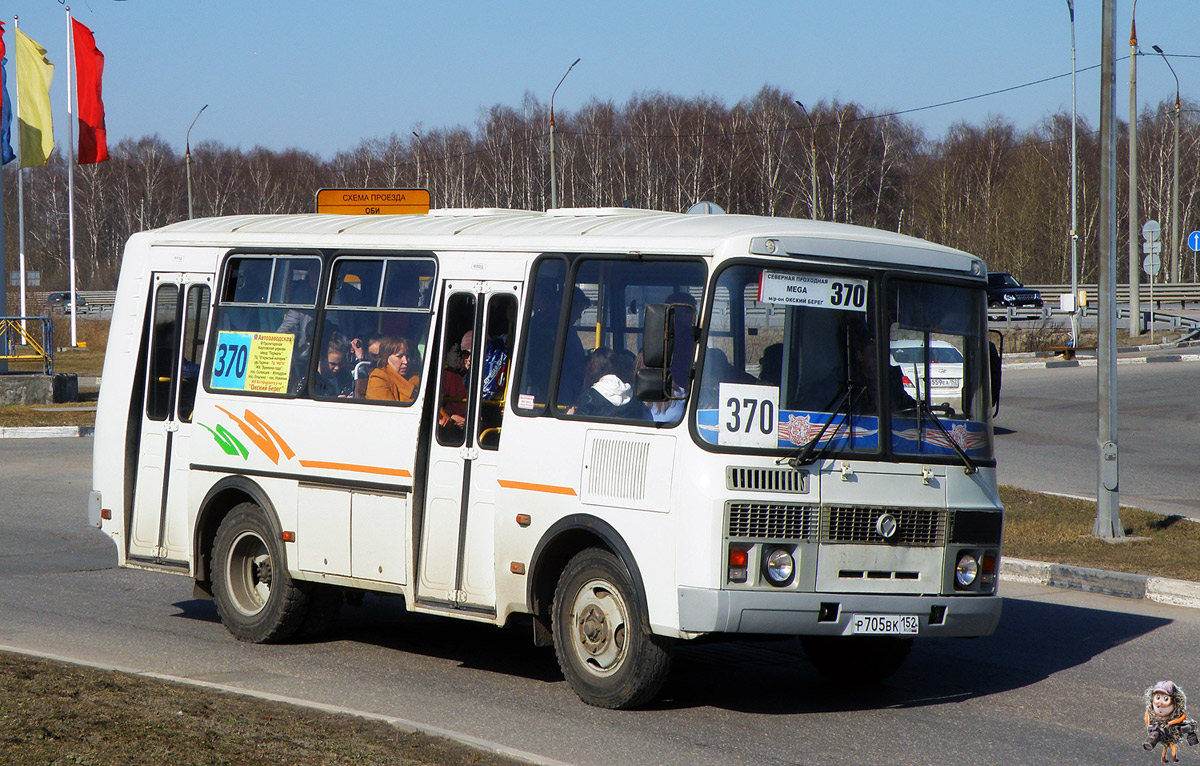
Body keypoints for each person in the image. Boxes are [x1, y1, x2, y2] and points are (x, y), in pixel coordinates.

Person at [572, 347, 649, 420]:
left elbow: (580, 425)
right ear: (617, 366)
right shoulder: (633, 396)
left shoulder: (589, 396)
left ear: (593, 369)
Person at [366, 336, 420, 402]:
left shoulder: (417, 374)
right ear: (386, 357)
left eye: (408, 356)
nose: (405, 361)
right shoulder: (378, 378)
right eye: (399, 356)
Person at [438, 330, 472, 436]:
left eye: (475, 354)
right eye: (466, 354)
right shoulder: (447, 375)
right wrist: (452, 418)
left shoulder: (494, 381)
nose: (469, 358)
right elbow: (436, 406)